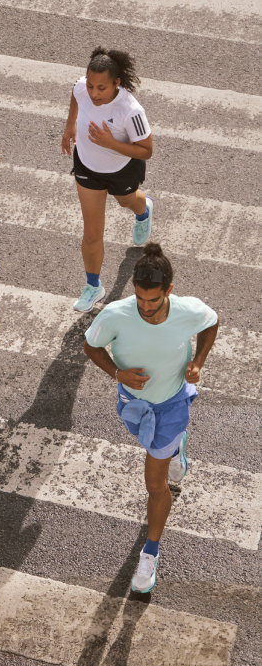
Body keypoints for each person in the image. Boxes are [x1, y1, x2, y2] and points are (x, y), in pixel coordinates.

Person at [83, 243, 218, 593]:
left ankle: (150, 553)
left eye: (153, 301)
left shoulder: (188, 310)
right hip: (134, 405)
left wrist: (198, 362)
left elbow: (211, 322)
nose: (145, 308)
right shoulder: (116, 314)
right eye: (140, 299)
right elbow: (90, 345)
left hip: (171, 406)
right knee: (155, 449)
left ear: (169, 291)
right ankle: (176, 447)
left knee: (155, 486)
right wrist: (117, 374)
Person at [62, 46, 154, 313]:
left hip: (122, 169)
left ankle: (143, 209)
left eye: (101, 88)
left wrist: (110, 143)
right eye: (91, 85)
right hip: (87, 166)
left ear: (117, 83)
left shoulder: (131, 111)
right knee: (92, 232)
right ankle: (93, 286)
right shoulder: (82, 88)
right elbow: (76, 94)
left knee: (127, 202)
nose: (94, 93)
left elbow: (146, 150)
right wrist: (70, 125)